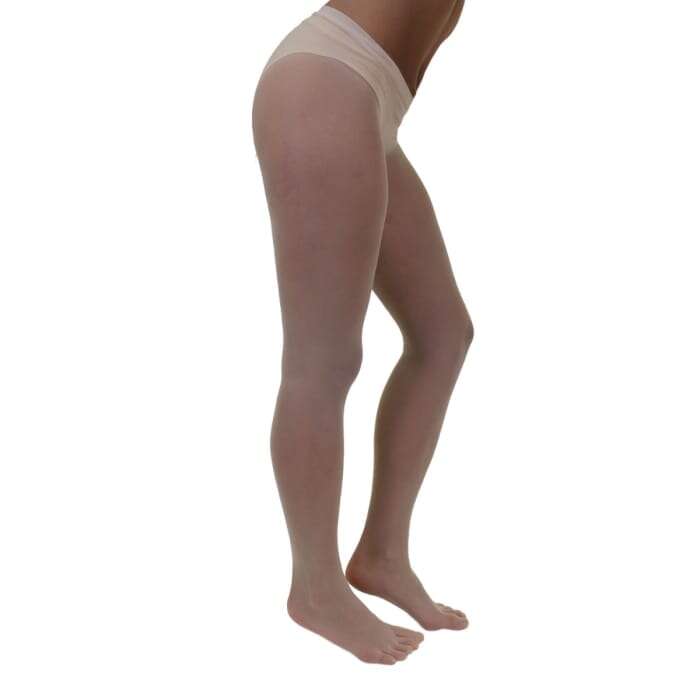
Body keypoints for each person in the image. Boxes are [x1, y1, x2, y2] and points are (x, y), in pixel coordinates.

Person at [252, 0, 472, 664]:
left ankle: (381, 554)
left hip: (369, 101)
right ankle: (315, 586)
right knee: (323, 359)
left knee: (442, 332)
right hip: (326, 84)